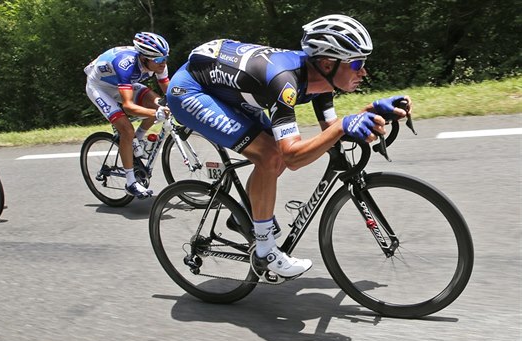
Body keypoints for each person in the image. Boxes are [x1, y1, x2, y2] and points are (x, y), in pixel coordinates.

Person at [165, 14, 412, 278]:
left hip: (232, 91)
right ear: (328, 63)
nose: (363, 71)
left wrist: (371, 112)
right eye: (357, 64)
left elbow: (331, 134)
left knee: (274, 155)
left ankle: (244, 217)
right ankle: (265, 251)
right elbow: (294, 157)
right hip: (191, 91)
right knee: (271, 155)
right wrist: (344, 125)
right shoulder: (284, 81)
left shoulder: (321, 82)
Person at [84, 32, 171, 199]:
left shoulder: (158, 62)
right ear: (144, 58)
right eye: (159, 60)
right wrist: (156, 113)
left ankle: (137, 141)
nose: (164, 63)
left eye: (166, 58)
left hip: (123, 84)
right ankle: (130, 182)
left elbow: (168, 94)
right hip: (100, 88)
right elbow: (129, 106)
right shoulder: (126, 64)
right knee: (127, 130)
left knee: (160, 103)